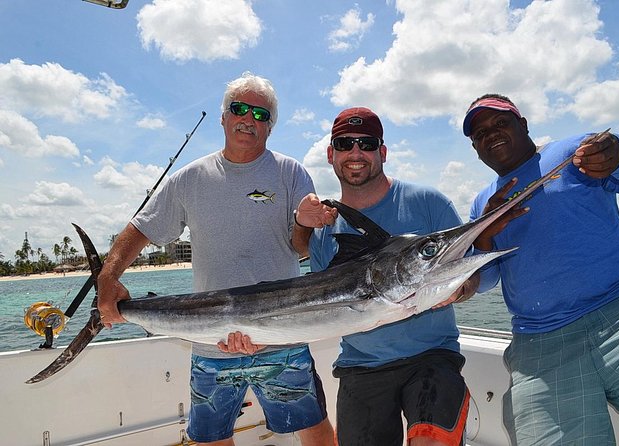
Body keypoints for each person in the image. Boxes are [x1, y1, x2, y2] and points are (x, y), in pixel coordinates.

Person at [97, 72, 335, 446]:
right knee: (210, 438)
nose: (248, 119)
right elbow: (139, 228)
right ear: (224, 117)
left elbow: (302, 247)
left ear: (270, 127)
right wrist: (108, 279)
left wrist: (306, 222)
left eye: (260, 114)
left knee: (315, 428)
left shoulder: (291, 173)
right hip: (211, 338)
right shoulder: (189, 179)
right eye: (239, 109)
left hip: (282, 334)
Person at [463, 93, 619, 445]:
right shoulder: (482, 203)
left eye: (500, 122)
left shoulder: (573, 151)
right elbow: (486, 281)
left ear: (523, 125)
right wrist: (483, 236)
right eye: (480, 133)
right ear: (476, 149)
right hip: (539, 344)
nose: (491, 134)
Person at [296, 107, 476, 446]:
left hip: (431, 357)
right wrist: (253, 333)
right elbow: (318, 308)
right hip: (360, 367)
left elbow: (470, 275)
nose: (355, 153)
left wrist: (461, 288)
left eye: (366, 143)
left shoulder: (429, 202)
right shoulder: (323, 231)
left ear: (382, 152)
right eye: (345, 143)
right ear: (331, 155)